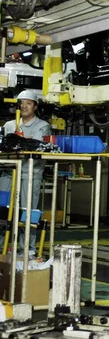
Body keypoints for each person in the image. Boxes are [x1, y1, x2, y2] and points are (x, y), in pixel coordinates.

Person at [0, 90, 51, 255]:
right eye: (21, 103)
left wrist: (18, 141)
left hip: (30, 174)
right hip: (8, 173)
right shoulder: (9, 125)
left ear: (35, 107)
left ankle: (27, 248)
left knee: (27, 212)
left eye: (29, 103)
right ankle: (1, 246)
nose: (24, 106)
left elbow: (34, 146)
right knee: (2, 211)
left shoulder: (42, 126)